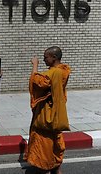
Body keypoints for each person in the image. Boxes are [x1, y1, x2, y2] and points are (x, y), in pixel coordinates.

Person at [25, 46, 71, 174]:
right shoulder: (64, 70)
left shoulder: (54, 73)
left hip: (46, 116)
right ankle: (55, 167)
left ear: (54, 57)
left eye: (46, 57)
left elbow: (37, 83)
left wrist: (35, 65)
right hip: (56, 115)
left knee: (43, 150)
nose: (44, 60)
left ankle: (44, 166)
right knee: (55, 147)